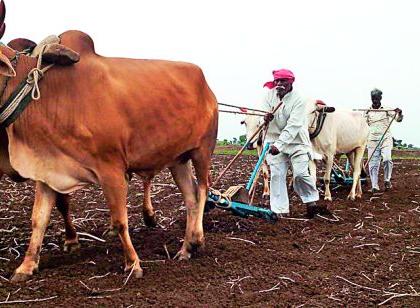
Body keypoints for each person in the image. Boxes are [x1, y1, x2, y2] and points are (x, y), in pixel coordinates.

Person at [262, 69, 325, 218]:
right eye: (277, 81)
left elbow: (294, 125)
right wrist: (265, 119)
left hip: (297, 141)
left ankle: (311, 201)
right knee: (277, 175)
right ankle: (280, 210)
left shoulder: (299, 100)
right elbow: (260, 117)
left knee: (300, 174)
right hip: (273, 141)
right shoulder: (268, 96)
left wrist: (280, 145)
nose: (279, 84)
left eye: (283, 81)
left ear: (291, 82)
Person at [365, 88, 403, 192]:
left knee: (387, 159)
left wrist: (399, 113)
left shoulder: (386, 109)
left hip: (385, 138)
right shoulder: (367, 111)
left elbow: (398, 119)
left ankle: (387, 180)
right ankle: (374, 186)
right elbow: (363, 125)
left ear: (380, 98)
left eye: (377, 98)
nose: (375, 100)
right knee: (373, 164)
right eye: (373, 98)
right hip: (372, 140)